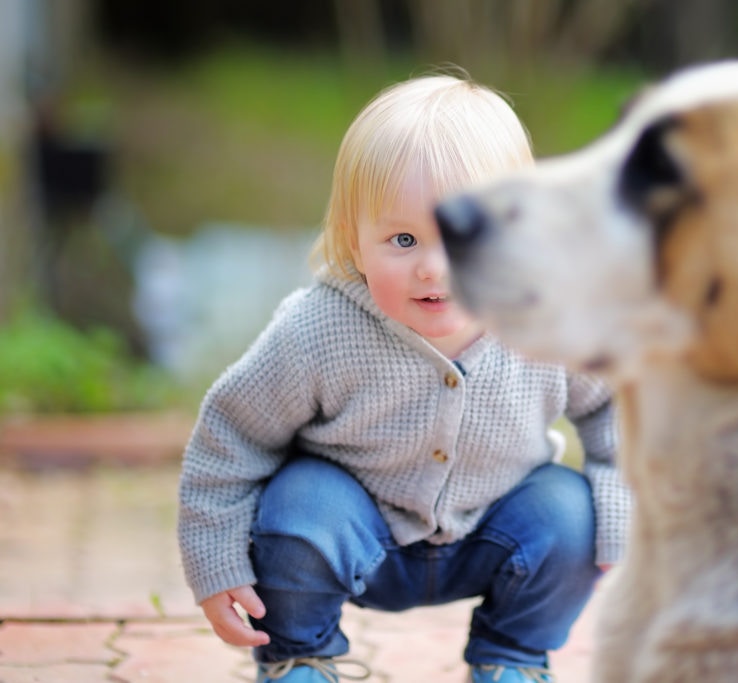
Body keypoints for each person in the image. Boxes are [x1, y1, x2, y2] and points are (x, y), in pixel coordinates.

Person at [176, 72, 630, 683]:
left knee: (569, 512)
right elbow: (231, 435)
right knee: (301, 505)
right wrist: (215, 560)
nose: (433, 269)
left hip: (495, 535)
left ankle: (513, 657)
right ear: (353, 243)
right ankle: (299, 656)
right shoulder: (318, 330)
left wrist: (623, 510)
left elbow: (621, 407)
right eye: (404, 239)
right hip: (355, 536)